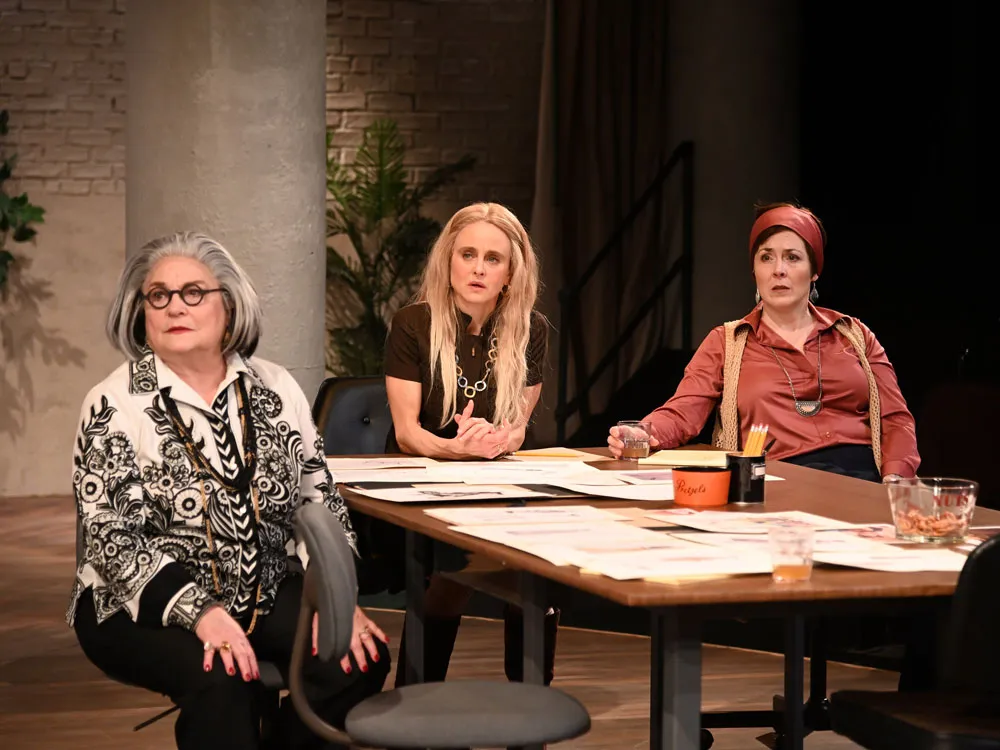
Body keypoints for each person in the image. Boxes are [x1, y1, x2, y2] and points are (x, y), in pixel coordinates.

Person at [68, 232, 390, 750]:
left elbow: (319, 499)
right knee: (222, 680)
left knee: (357, 659)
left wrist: (337, 594)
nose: (175, 306)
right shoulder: (112, 403)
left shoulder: (276, 387)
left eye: (194, 292)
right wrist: (200, 612)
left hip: (264, 588)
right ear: (141, 312)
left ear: (231, 305)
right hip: (135, 602)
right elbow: (110, 538)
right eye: (159, 295)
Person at [607, 201, 920, 482]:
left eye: (792, 258)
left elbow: (895, 419)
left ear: (814, 271)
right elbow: (682, 412)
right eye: (766, 258)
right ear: (754, 269)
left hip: (862, 480)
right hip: (778, 480)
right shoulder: (727, 341)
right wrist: (642, 434)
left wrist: (895, 479)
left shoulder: (854, 334)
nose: (778, 270)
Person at [379, 202, 558, 687]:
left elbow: (518, 426)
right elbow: (407, 433)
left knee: (538, 574)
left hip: (494, 481)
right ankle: (416, 699)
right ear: (449, 261)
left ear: (511, 273)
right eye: (468, 254)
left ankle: (531, 708)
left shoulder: (530, 329)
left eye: (493, 259)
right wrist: (456, 450)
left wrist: (502, 438)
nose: (479, 269)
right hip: (421, 482)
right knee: (452, 575)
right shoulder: (413, 324)